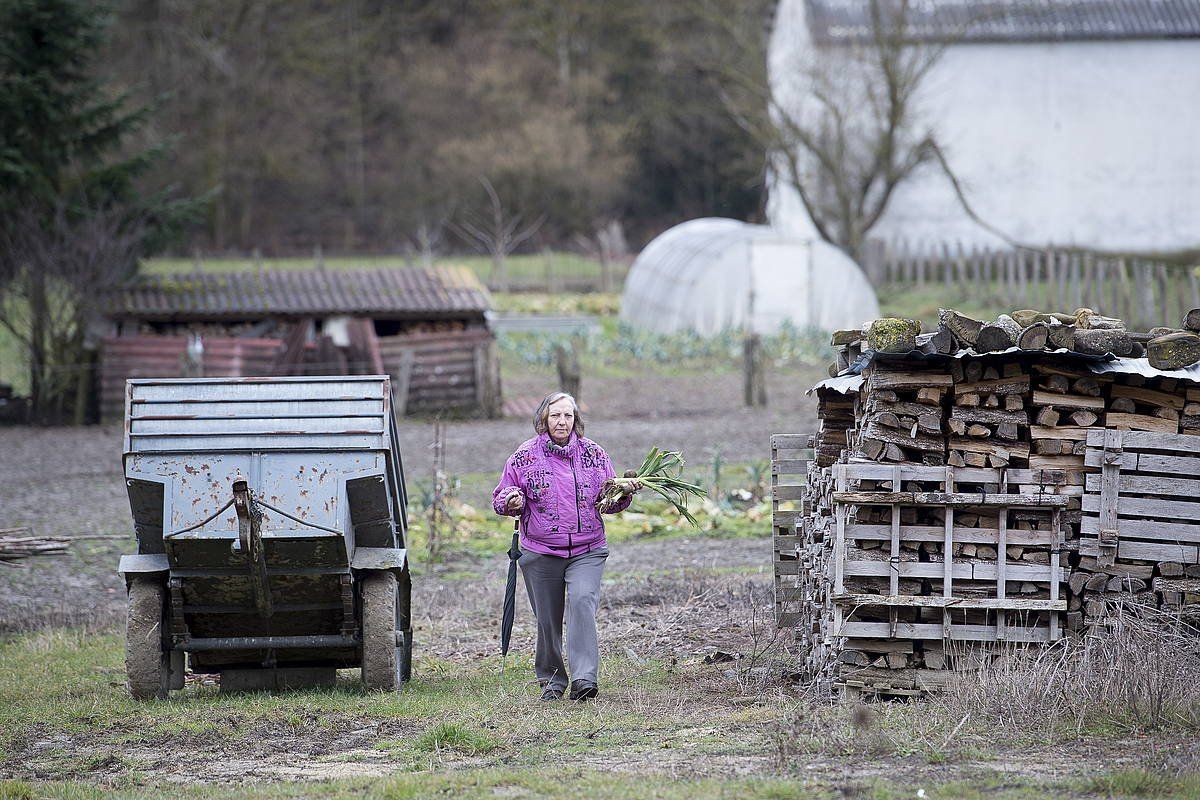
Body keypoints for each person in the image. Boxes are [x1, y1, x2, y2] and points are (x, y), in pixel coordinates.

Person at [492, 391, 639, 701]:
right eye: (556, 415)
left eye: (568, 415)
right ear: (543, 419)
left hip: (588, 549)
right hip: (541, 551)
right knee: (547, 619)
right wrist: (512, 501)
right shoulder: (524, 456)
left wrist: (625, 493)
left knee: (583, 602)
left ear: (576, 420)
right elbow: (501, 495)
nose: (562, 421)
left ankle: (585, 678)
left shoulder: (594, 455)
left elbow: (607, 503)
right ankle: (552, 680)